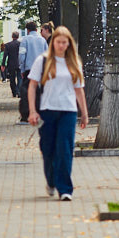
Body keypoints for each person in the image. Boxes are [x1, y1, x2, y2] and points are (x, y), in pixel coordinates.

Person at [28, 26, 88, 201]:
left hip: (68, 111)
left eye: (64, 42)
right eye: (58, 42)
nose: (61, 45)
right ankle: (52, 180)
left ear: (69, 44)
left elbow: (79, 90)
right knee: (48, 149)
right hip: (48, 110)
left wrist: (84, 113)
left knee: (65, 149)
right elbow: (32, 86)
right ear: (53, 43)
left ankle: (65, 189)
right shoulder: (43, 60)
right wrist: (32, 111)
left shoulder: (74, 62)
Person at [17, 20, 48, 123]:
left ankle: (26, 115)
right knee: (40, 92)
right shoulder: (42, 40)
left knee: (26, 92)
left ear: (28, 30)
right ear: (36, 29)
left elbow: (22, 55)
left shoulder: (25, 40)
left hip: (29, 69)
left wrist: (22, 68)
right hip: (42, 70)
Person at [2, 31, 22, 98]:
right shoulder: (21, 44)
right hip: (19, 63)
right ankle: (19, 92)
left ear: (12, 36)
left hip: (11, 64)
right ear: (18, 36)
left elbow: (5, 55)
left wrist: (3, 65)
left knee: (12, 79)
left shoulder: (8, 45)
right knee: (20, 78)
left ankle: (14, 92)